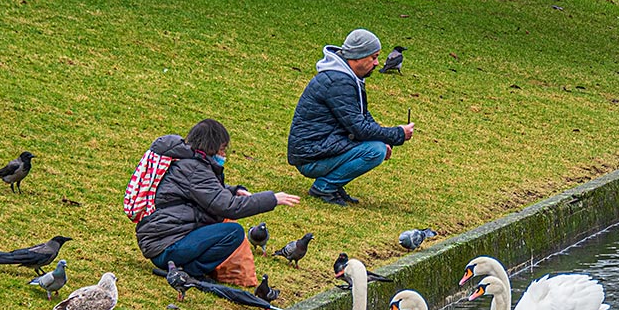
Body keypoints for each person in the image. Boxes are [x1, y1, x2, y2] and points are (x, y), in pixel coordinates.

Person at [136, 119, 300, 278]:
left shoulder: (186, 162)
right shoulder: (195, 170)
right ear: (211, 147)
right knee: (233, 232)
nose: (223, 154)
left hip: (161, 242)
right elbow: (229, 207)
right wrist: (272, 199)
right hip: (166, 248)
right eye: (222, 149)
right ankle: (189, 271)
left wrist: (234, 190)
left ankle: (184, 268)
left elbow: (204, 190)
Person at [287, 29, 414, 206]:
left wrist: (386, 137)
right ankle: (325, 187)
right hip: (311, 157)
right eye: (373, 57)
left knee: (378, 146)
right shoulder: (339, 82)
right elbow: (360, 129)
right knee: (375, 151)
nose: (377, 63)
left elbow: (362, 117)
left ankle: (334, 185)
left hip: (318, 149)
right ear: (357, 57)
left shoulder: (345, 77)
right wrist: (398, 133)